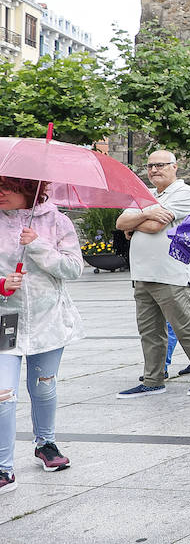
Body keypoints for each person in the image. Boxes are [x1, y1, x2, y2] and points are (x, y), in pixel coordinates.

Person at [0, 177, 84, 492]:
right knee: (3, 395)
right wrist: (2, 284)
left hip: (48, 321)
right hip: (5, 320)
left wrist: (37, 245)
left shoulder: (57, 222)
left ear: (27, 187)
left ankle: (45, 443)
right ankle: (3, 468)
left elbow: (74, 269)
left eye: (7, 186)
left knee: (44, 389)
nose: (0, 193)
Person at [115, 150, 190, 397]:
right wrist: (146, 213)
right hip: (142, 274)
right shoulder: (146, 195)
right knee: (149, 331)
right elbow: (120, 223)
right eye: (150, 166)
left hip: (171, 273)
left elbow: (155, 226)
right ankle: (153, 380)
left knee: (185, 327)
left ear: (175, 167)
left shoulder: (184, 192)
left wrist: (136, 222)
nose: (154, 170)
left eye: (160, 165)